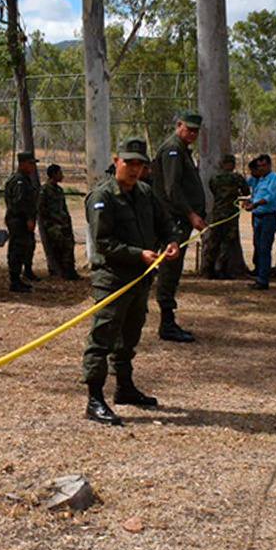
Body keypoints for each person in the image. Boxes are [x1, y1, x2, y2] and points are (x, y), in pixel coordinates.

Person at [82, 138, 180, 426]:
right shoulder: (103, 196)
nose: (136, 169)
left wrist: (171, 241)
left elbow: (165, 223)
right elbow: (103, 242)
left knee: (130, 335)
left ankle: (124, 388)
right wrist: (139, 254)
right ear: (117, 161)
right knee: (103, 337)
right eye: (130, 162)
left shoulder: (145, 193)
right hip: (113, 279)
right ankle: (94, 399)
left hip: (140, 278)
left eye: (141, 164)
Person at [148, 112, 207, 342]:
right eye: (188, 129)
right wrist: (191, 214)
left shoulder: (181, 149)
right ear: (178, 125)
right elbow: (172, 189)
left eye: (195, 131)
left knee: (169, 269)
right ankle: (167, 323)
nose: (192, 134)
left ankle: (167, 321)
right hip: (173, 220)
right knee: (169, 270)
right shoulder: (173, 150)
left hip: (178, 219)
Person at [206, 153, 251, 279]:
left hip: (217, 213)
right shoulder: (237, 178)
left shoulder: (214, 178)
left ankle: (209, 269)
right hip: (230, 214)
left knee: (214, 241)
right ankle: (221, 269)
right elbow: (246, 192)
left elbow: (213, 190)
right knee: (227, 242)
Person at [244, 154, 276, 290]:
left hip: (268, 216)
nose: (260, 169)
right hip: (257, 217)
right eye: (258, 166)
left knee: (264, 247)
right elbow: (250, 190)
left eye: (262, 166)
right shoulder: (257, 180)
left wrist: (254, 204)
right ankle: (258, 271)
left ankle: (263, 280)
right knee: (257, 245)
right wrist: (249, 202)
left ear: (269, 165)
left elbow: (270, 197)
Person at [4, 152, 40, 292]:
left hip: (22, 220)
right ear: (22, 164)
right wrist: (29, 219)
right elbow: (19, 204)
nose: (33, 167)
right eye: (30, 164)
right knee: (17, 249)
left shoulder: (25, 179)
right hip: (18, 220)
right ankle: (14, 281)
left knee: (26, 247)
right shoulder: (19, 181)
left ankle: (22, 275)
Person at [37, 163, 79, 280]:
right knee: (58, 247)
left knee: (69, 246)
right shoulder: (45, 190)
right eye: (60, 173)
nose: (62, 175)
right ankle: (59, 271)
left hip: (63, 223)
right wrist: (51, 222)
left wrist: (67, 220)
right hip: (53, 225)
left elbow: (63, 208)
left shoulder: (59, 190)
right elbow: (41, 209)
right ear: (53, 174)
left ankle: (70, 271)